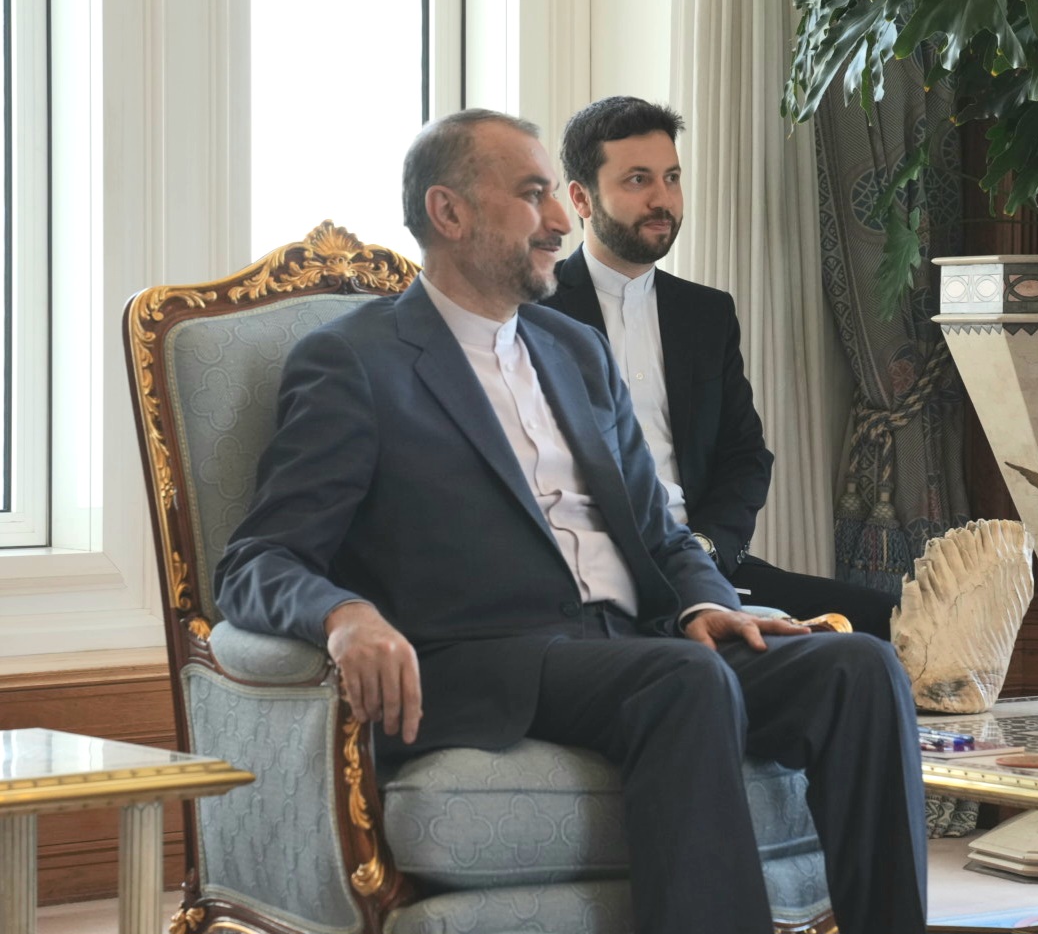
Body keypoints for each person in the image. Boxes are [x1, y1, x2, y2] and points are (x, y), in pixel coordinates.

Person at [215, 109, 927, 934]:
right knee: (682, 680)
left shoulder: (573, 350)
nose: (559, 220)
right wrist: (345, 614)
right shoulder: (356, 361)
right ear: (449, 212)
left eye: (554, 193)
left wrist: (703, 601)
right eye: (532, 195)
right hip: (492, 658)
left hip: (637, 641)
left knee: (858, 667)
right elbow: (255, 560)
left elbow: (658, 530)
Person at [546, 96, 899, 637]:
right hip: (590, 572)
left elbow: (745, 456)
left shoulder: (705, 313)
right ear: (581, 198)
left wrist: (706, 547)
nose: (662, 199)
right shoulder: (535, 313)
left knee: (888, 621)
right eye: (638, 180)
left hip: (702, 563)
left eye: (671, 178)